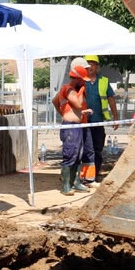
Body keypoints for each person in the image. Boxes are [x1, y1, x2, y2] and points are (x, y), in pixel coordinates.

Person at [51, 62, 94, 196]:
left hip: (77, 126)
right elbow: (78, 104)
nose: (84, 83)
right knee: (70, 155)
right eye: (82, 80)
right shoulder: (68, 89)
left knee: (78, 155)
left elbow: (77, 107)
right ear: (77, 78)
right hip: (70, 128)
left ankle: (75, 182)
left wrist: (81, 113)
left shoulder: (72, 90)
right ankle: (65, 186)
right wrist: (65, 114)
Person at [81, 54, 119, 183]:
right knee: (85, 149)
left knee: (97, 149)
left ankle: (94, 175)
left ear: (97, 66)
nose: (90, 66)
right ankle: (85, 176)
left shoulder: (103, 81)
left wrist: (115, 117)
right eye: (88, 64)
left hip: (98, 122)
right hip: (83, 122)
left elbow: (111, 99)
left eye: (93, 64)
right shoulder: (80, 81)